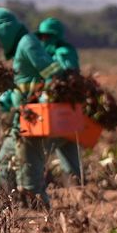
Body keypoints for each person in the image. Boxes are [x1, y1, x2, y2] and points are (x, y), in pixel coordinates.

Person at [0, 8, 62, 206]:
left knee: (29, 179)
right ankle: (15, 216)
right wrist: (2, 101)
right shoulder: (21, 46)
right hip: (21, 122)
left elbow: (53, 73)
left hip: (32, 120)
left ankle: (42, 222)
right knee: (3, 166)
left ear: (5, 30)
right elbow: (22, 85)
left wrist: (43, 100)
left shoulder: (27, 43)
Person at [36, 16, 85, 183]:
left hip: (58, 112)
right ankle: (77, 188)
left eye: (47, 36)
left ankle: (39, 187)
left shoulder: (63, 52)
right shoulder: (52, 53)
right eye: (42, 36)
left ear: (55, 36)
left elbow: (65, 73)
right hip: (66, 113)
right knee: (68, 152)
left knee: (39, 151)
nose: (44, 40)